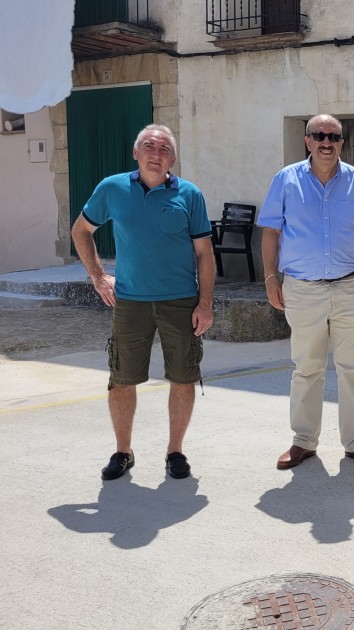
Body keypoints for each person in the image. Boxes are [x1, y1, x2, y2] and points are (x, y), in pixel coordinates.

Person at [71, 124, 215, 481]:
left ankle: (175, 452)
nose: (156, 153)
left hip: (181, 301)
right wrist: (98, 276)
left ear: (173, 159)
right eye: (149, 146)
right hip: (130, 303)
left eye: (164, 149)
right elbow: (81, 231)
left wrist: (206, 303)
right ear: (136, 153)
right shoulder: (112, 188)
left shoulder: (190, 194)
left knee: (183, 377)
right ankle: (123, 451)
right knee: (122, 378)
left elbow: (204, 253)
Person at [258, 114, 354, 470]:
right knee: (306, 368)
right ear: (307, 140)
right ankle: (303, 441)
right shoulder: (285, 181)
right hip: (302, 289)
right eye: (318, 135)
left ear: (342, 142)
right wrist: (271, 278)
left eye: (333, 136)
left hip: (353, 287)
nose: (326, 142)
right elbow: (270, 232)